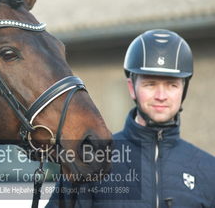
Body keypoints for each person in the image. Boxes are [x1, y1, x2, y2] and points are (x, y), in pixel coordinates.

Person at [46, 29, 215, 207]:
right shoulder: (91, 161)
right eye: (150, 84)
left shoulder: (209, 170)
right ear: (132, 88)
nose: (161, 95)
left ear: (183, 89)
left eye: (172, 85)